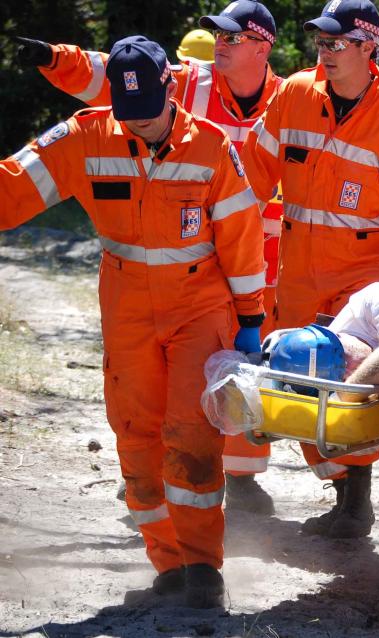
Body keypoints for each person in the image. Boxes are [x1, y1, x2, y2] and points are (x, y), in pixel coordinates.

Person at [0, 36, 266, 608]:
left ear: (170, 88)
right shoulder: (84, 137)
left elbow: (243, 238)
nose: (139, 125)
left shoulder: (212, 147)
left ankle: (204, 568)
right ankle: (167, 561)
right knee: (135, 435)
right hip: (126, 306)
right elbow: (11, 191)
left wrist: (251, 319)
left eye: (147, 112)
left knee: (191, 436)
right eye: (128, 116)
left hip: (199, 304)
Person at [242, 0, 379, 538]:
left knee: (347, 385)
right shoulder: (295, 95)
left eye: (336, 43)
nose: (323, 51)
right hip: (301, 271)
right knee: (301, 383)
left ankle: (355, 504)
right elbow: (252, 176)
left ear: (368, 47)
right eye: (320, 42)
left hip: (363, 277)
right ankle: (345, 496)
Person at [265, 282, 379, 534]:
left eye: (344, 360)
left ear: (337, 339)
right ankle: (348, 500)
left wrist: (347, 393)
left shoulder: (375, 300)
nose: (350, 370)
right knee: (318, 417)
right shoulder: (331, 361)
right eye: (341, 375)